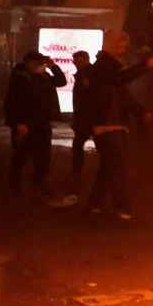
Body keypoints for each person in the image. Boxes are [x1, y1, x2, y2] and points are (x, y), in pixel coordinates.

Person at [83, 32, 153, 221]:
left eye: (124, 46)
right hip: (107, 124)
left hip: (112, 123)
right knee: (117, 166)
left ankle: (95, 204)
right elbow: (120, 82)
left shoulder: (110, 67)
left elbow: (122, 94)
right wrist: (144, 66)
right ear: (109, 44)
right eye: (120, 45)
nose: (123, 49)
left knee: (109, 166)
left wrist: (139, 111)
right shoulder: (104, 66)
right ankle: (122, 207)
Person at [4, 51, 66, 204]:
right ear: (28, 63)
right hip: (26, 124)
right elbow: (12, 102)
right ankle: (15, 186)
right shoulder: (20, 77)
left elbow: (61, 81)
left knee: (43, 157)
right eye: (36, 63)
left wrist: (53, 67)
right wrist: (18, 123)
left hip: (42, 123)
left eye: (41, 63)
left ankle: (38, 186)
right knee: (21, 156)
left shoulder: (43, 76)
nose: (39, 65)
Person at [59, 49, 95, 208]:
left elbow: (85, 99)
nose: (75, 63)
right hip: (85, 117)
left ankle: (77, 171)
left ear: (85, 60)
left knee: (78, 144)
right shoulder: (85, 73)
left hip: (86, 118)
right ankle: (77, 170)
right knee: (79, 144)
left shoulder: (87, 74)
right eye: (75, 61)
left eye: (77, 61)